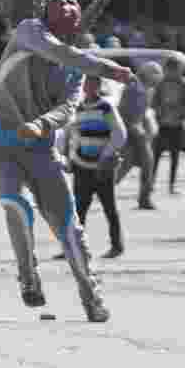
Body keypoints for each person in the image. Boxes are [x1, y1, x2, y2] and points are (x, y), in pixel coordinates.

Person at [0, 0, 133, 322]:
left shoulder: (74, 68)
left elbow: (68, 107)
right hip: (1, 140)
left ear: (80, 15)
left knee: (69, 228)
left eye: (72, 2)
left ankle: (91, 296)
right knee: (15, 206)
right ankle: (28, 278)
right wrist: (109, 67)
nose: (66, 6)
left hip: (41, 147)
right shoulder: (29, 32)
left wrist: (41, 124)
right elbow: (60, 52)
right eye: (59, 1)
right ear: (45, 12)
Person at [64, 75, 128, 259]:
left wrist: (106, 155)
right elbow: (71, 134)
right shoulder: (78, 107)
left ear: (99, 86)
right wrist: (69, 157)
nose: (89, 87)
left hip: (102, 167)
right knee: (78, 210)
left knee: (109, 207)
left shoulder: (106, 107)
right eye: (87, 83)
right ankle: (75, 247)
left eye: (93, 83)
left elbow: (119, 134)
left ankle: (117, 246)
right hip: (81, 165)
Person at [116, 60, 160, 210]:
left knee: (126, 164)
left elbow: (141, 114)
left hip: (134, 130)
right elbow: (126, 113)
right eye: (155, 77)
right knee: (145, 163)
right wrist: (137, 130)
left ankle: (144, 198)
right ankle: (144, 199)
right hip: (131, 131)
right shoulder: (134, 88)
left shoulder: (142, 88)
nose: (156, 81)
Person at [151, 56, 185, 196]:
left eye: (175, 69)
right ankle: (150, 183)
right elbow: (154, 102)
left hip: (177, 124)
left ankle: (172, 184)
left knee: (175, 156)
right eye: (169, 69)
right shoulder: (160, 84)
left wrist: (181, 113)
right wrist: (160, 112)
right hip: (163, 124)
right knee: (156, 155)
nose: (172, 72)